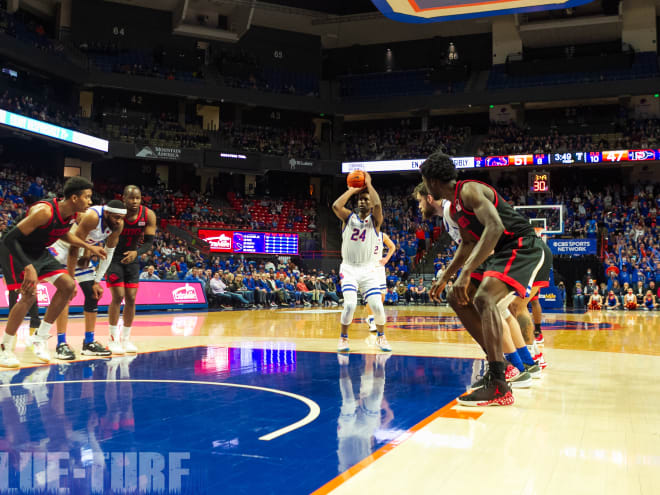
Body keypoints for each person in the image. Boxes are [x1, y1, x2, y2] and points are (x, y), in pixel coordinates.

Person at [421, 152, 549, 406]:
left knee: (485, 298)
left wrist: (466, 272)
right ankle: (496, 368)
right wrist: (447, 276)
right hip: (504, 251)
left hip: (523, 246)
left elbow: (496, 227)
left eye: (424, 181)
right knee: (458, 297)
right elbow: (468, 242)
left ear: (432, 182)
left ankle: (500, 384)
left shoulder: (468, 190)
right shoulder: (455, 208)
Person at [0, 177, 106, 367]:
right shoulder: (44, 212)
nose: (90, 202)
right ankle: (4, 349)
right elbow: (9, 238)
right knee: (28, 297)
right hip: (15, 250)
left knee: (67, 285)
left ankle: (39, 338)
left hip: (38, 250)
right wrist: (28, 266)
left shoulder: (71, 214)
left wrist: (89, 246)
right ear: (74, 198)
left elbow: (61, 232)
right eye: (87, 197)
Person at [49, 199, 126, 359]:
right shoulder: (92, 216)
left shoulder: (117, 226)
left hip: (81, 253)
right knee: (65, 293)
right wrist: (70, 279)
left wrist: (97, 281)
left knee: (93, 294)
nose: (118, 221)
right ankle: (61, 344)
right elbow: (73, 247)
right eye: (115, 217)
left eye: (121, 218)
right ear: (106, 213)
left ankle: (89, 343)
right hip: (61, 249)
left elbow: (108, 253)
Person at [332, 172, 391, 352]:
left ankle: (381, 337)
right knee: (349, 305)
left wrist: (369, 185)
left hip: (367, 270)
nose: (362, 202)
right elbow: (336, 205)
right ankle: (343, 338)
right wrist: (352, 190)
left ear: (371, 203)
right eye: (360, 200)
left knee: (378, 307)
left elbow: (379, 204)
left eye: (366, 199)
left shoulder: (375, 221)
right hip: (349, 268)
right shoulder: (348, 218)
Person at [106, 186, 157, 355]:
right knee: (118, 296)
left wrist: (137, 253)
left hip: (133, 258)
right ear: (124, 199)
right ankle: (113, 339)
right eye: (131, 198)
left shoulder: (148, 215)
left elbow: (149, 243)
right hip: (114, 257)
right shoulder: (116, 213)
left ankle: (126, 339)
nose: (134, 201)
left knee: (131, 298)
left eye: (138, 198)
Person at [364, 232, 395, 332]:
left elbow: (392, 247)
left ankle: (374, 317)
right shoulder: (363, 235)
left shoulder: (382, 235)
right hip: (368, 267)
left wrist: (386, 258)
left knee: (382, 296)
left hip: (379, 267)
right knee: (372, 295)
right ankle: (371, 319)